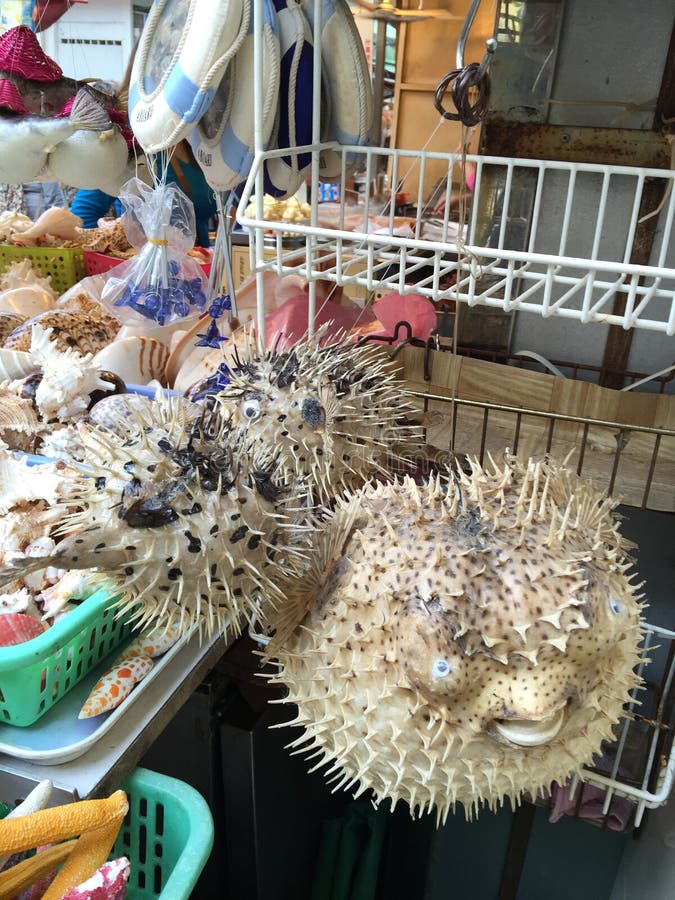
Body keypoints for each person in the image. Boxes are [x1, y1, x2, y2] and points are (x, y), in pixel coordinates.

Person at [70, 140, 217, 246]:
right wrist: (111, 248)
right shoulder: (128, 149)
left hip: (200, 263)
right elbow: (82, 216)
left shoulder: (200, 145)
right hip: (146, 270)